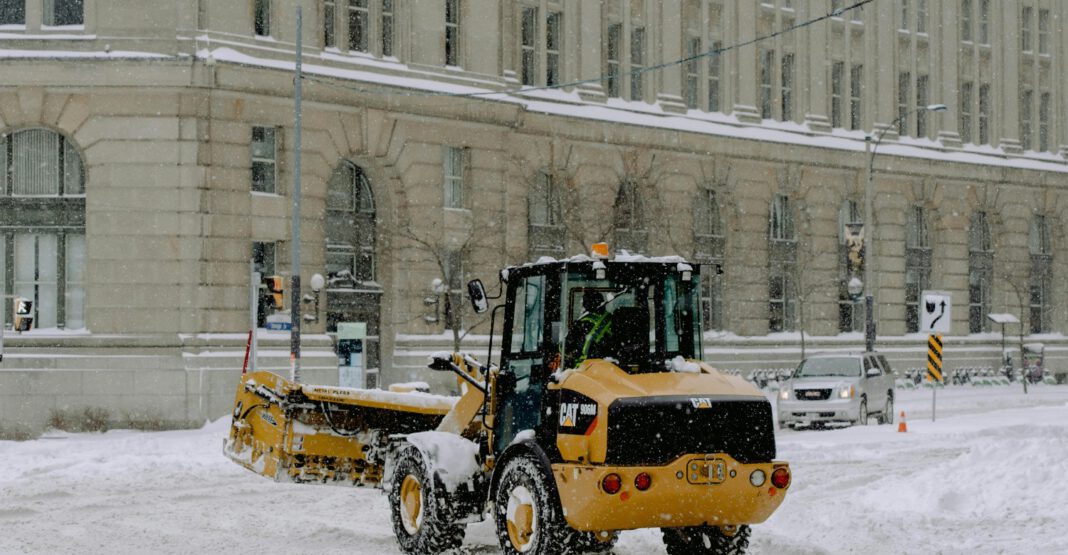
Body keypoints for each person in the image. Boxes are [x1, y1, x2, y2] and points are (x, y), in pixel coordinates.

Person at [565, 292, 613, 367]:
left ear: (586, 305)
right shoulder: (613, 320)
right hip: (612, 368)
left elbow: (565, 348)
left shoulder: (581, 324)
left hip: (585, 369)